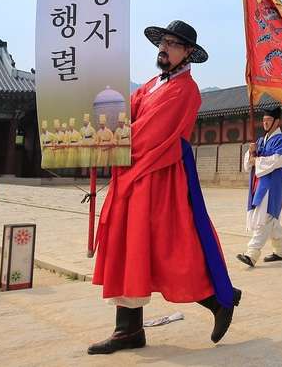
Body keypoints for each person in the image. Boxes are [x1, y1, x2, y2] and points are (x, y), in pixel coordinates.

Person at [89, 21, 239, 355]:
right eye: (163, 42)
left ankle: (218, 300)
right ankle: (127, 330)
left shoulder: (186, 90)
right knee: (129, 247)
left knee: (167, 246)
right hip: (132, 174)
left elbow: (150, 134)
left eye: (173, 44)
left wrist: (112, 139)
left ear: (187, 53)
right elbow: (125, 115)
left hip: (160, 174)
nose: (164, 48)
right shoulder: (152, 84)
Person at [238, 106, 282, 267]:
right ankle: (280, 251)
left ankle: (251, 253)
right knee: (271, 220)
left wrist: (257, 161)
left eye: (268, 120)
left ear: (277, 121)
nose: (265, 123)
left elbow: (279, 160)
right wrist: (251, 152)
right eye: (263, 120)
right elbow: (249, 162)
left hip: (272, 185)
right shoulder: (261, 141)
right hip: (259, 183)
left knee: (266, 218)